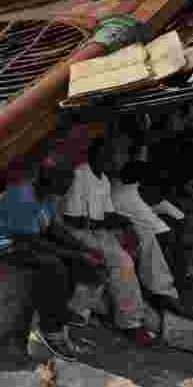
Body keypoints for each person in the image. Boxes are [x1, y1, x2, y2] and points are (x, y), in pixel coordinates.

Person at [0, 159, 103, 356]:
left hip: (25, 240)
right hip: (1, 244)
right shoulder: (21, 198)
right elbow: (33, 243)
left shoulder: (46, 196)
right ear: (49, 180)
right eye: (65, 182)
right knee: (53, 265)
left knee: (72, 259)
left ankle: (59, 310)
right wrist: (78, 254)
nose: (68, 187)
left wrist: (83, 247)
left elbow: (53, 228)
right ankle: (50, 329)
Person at [61, 139, 155, 345]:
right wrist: (107, 224)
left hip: (95, 230)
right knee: (121, 261)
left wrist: (128, 224)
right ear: (94, 155)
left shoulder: (103, 180)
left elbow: (108, 215)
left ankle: (119, 306)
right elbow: (73, 220)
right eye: (107, 155)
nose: (112, 160)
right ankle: (130, 323)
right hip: (75, 233)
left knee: (135, 246)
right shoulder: (81, 174)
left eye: (112, 156)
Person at [109, 162, 188, 311]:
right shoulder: (130, 197)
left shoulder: (131, 189)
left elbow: (178, 218)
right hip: (118, 234)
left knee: (169, 227)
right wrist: (177, 268)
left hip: (131, 223)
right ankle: (163, 292)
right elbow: (165, 235)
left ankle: (165, 287)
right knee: (152, 242)